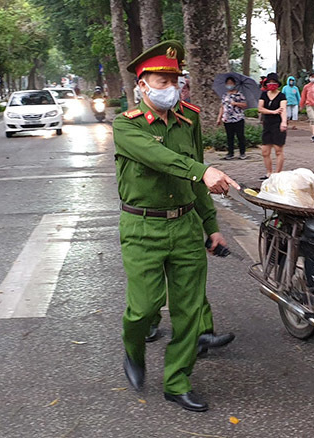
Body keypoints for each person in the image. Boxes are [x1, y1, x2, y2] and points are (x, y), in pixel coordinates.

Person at [112, 40, 240, 412]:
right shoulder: (126, 126)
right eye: (161, 79)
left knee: (188, 311)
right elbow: (162, 158)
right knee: (143, 309)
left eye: (174, 78)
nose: (170, 86)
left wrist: (211, 225)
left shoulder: (190, 119)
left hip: (184, 225)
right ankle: (133, 350)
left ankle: (177, 381)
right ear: (141, 84)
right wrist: (203, 170)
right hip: (142, 229)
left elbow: (194, 178)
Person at [258, 72, 287, 179]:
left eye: (273, 82)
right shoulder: (264, 95)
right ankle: (269, 172)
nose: (271, 84)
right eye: (269, 82)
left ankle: (277, 174)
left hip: (277, 124)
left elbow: (283, 109)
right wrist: (273, 112)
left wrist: (283, 122)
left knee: (278, 150)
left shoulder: (281, 96)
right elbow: (260, 108)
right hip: (267, 124)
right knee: (265, 151)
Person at [216, 77, 248, 160]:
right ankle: (230, 153)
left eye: (231, 83)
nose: (229, 85)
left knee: (240, 136)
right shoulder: (225, 95)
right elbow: (222, 107)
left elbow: (245, 105)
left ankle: (242, 153)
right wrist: (219, 118)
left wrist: (236, 103)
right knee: (229, 136)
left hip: (238, 117)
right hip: (227, 118)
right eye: (228, 83)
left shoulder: (239, 94)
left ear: (234, 84)